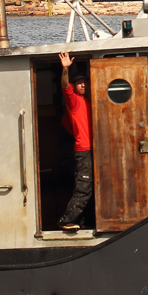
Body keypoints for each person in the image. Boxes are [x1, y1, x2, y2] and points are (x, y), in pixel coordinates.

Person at [57, 51, 92, 232]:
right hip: (83, 150)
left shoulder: (91, 101)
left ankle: (83, 222)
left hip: (93, 149)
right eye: (79, 83)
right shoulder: (74, 101)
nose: (83, 85)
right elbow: (65, 86)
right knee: (83, 188)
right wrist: (65, 70)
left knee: (91, 187)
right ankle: (65, 220)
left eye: (85, 82)